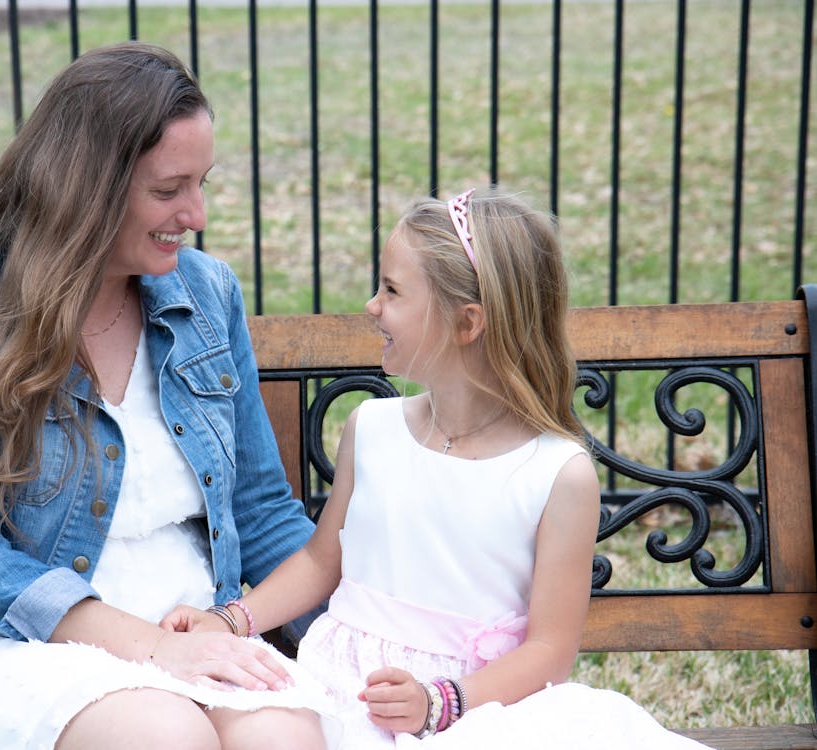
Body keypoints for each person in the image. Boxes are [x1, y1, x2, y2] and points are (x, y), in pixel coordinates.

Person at [0, 41, 330, 750]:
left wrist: (350, 635)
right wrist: (149, 647)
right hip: (22, 644)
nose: (196, 213)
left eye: (201, 183)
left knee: (283, 740)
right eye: (168, 189)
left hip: (198, 628)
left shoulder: (205, 294)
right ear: (84, 186)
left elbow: (261, 510)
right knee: (164, 736)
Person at [163, 188, 712, 749]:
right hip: (341, 692)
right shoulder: (371, 428)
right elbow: (320, 560)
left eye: (393, 291)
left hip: (475, 708)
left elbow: (550, 650)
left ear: (466, 322)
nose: (372, 305)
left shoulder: (556, 474)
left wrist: (441, 701)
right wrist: (231, 622)